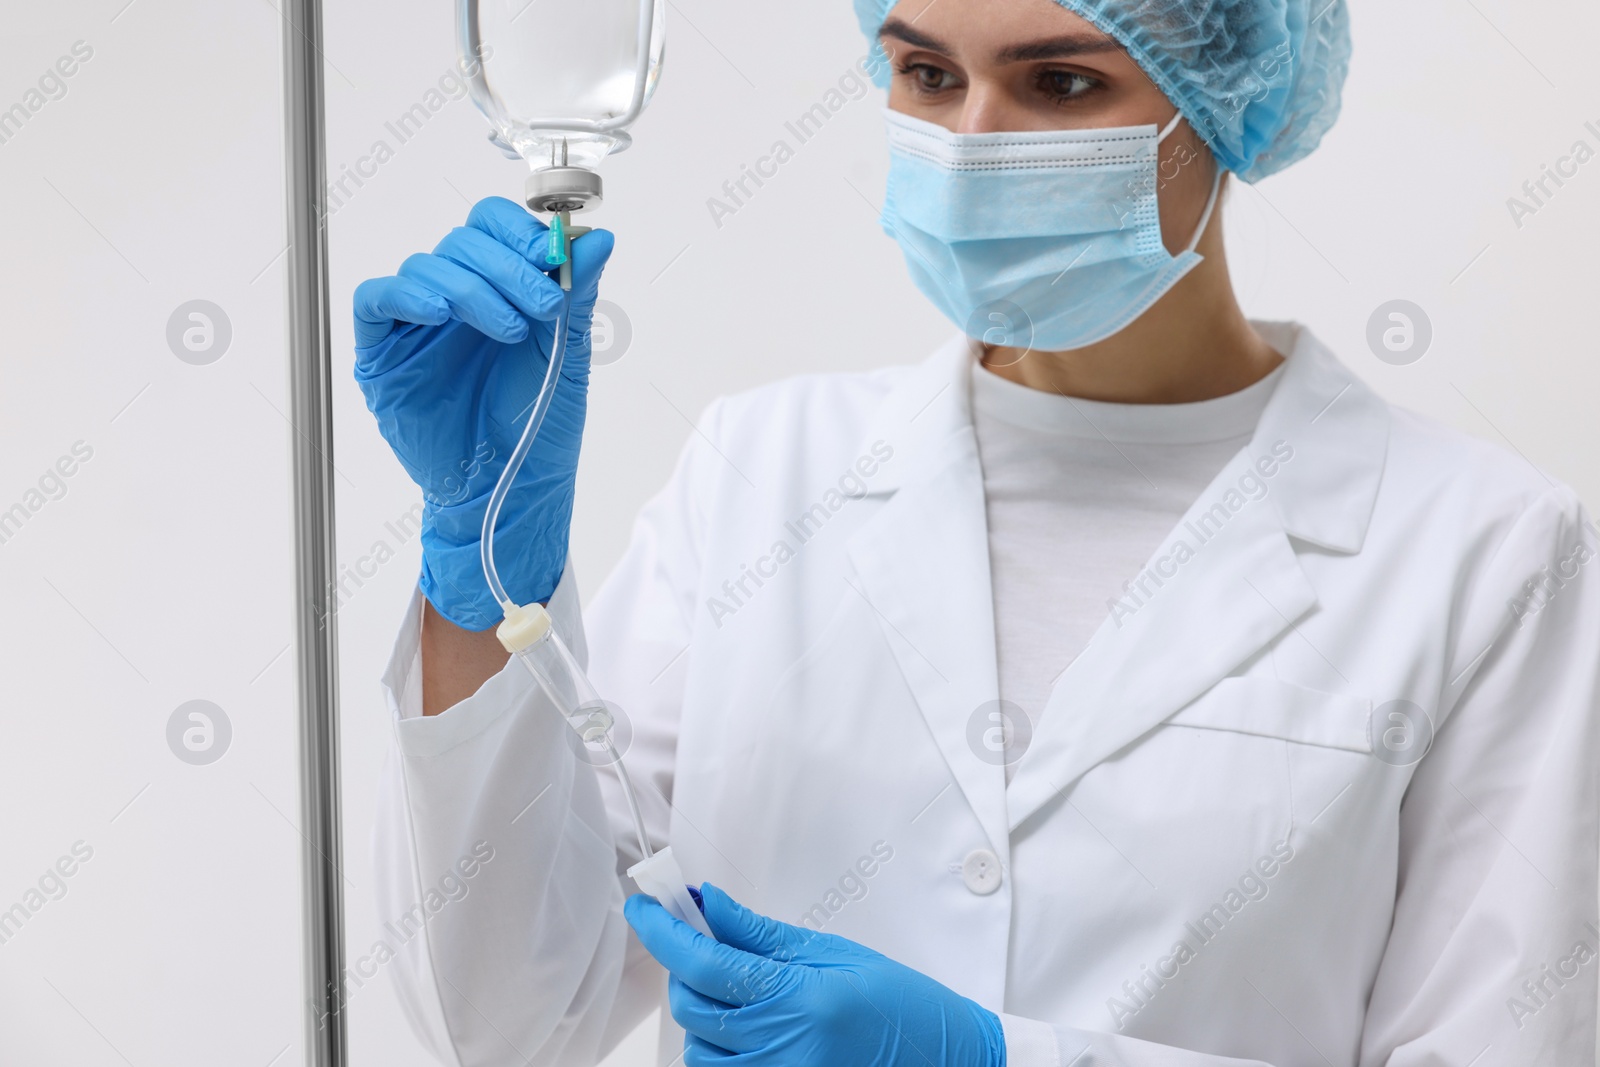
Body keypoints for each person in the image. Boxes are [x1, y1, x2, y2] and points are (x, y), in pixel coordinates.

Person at [351, 0, 1600, 1063]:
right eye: (927, 73)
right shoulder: (764, 473)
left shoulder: (1483, 553)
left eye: (1060, 81)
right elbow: (514, 1013)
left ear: (1226, 107)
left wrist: (998, 1056)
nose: (969, 145)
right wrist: (484, 573)